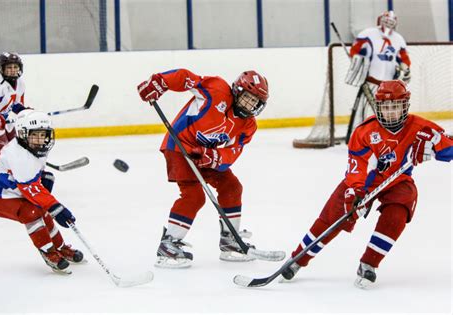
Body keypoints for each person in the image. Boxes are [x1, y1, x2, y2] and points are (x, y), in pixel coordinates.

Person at [281, 80, 452, 288]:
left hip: (398, 181)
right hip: (365, 183)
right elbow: (358, 169)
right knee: (334, 215)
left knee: (400, 208)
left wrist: (434, 146)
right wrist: (355, 193)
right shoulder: (364, 132)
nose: (390, 113)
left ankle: (369, 264)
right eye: (385, 107)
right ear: (378, 107)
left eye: (395, 107)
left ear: (404, 106)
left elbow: (448, 149)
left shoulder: (419, 127)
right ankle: (298, 259)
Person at [137, 69, 269, 268]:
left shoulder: (248, 124)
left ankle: (230, 241)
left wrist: (214, 157)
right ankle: (168, 244)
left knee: (232, 186)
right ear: (237, 90)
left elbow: (233, 151)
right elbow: (185, 78)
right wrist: (160, 81)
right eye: (246, 98)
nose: (249, 104)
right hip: (179, 147)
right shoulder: (217, 90)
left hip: (206, 154)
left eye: (254, 102)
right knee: (194, 196)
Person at [0, 109, 84, 274]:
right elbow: (30, 188)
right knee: (33, 212)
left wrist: (42, 176)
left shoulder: (32, 145)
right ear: (22, 133)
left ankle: (61, 247)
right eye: (36, 135)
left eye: (44, 135)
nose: (41, 140)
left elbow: (32, 177)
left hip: (13, 187)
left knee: (42, 209)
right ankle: (48, 252)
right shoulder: (20, 157)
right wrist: (57, 207)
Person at [344, 10, 411, 142]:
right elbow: (356, 49)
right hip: (370, 82)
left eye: (391, 22)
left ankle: (390, 137)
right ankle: (364, 138)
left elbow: (403, 57)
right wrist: (357, 57)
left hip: (390, 87)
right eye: (386, 21)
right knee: (367, 113)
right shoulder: (368, 33)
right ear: (380, 20)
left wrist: (405, 67)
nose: (388, 25)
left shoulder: (398, 39)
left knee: (390, 114)